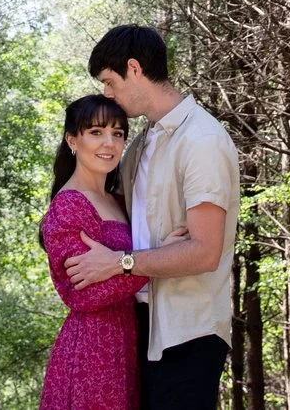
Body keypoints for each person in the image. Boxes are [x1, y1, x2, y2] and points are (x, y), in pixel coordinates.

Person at [66, 25, 240, 410]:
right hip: (143, 326)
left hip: (189, 331)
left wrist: (119, 264)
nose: (107, 94)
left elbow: (205, 252)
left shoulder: (202, 139)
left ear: (134, 68)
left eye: (110, 82)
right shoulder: (144, 142)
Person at [40, 95, 147, 410]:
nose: (110, 143)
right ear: (72, 140)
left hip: (126, 343)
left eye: (118, 133)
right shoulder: (69, 204)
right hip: (91, 352)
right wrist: (162, 259)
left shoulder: (116, 200)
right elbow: (82, 292)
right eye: (96, 132)